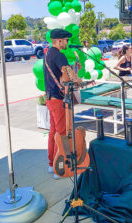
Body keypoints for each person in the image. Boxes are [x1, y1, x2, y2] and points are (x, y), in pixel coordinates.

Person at [43, 28, 82, 179]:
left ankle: (51, 163)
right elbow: (70, 76)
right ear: (59, 41)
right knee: (62, 133)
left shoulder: (48, 54)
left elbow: (61, 73)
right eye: (66, 40)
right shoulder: (59, 55)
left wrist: (72, 69)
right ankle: (61, 168)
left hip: (49, 98)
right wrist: (79, 80)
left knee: (53, 132)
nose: (67, 42)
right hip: (58, 100)